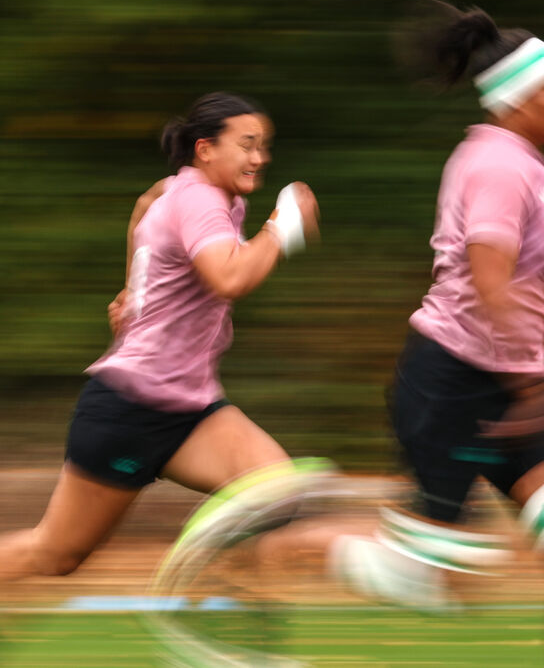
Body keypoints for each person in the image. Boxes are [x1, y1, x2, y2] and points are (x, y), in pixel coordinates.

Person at [326, 3, 544, 668]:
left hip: (511, 380)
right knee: (430, 577)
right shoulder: (496, 166)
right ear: (515, 99)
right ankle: (276, 541)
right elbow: (491, 286)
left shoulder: (528, 163)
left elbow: (524, 291)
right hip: (453, 384)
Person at [0, 91, 320, 583]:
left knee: (273, 488)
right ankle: (199, 579)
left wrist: (134, 289)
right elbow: (230, 278)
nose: (260, 158)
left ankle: (204, 586)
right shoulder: (199, 199)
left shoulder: (196, 193)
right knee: (53, 555)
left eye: (264, 146)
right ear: (205, 149)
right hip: (131, 409)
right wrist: (281, 228)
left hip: (188, 408)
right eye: (247, 144)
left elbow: (145, 204)